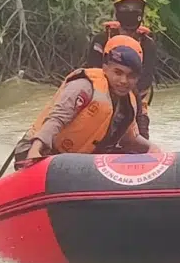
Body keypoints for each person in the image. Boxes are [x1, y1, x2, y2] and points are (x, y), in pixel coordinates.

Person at [12, 35, 158, 169]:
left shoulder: (129, 102)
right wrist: (35, 150)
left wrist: (153, 149)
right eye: (118, 73)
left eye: (130, 76)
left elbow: (130, 138)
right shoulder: (84, 86)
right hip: (41, 150)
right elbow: (56, 120)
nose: (123, 81)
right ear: (105, 68)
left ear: (138, 78)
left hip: (77, 160)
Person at [87, 0, 161, 123]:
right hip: (101, 98)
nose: (130, 11)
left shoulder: (148, 45)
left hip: (135, 101)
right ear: (117, 10)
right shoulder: (101, 40)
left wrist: (126, 101)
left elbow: (145, 79)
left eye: (135, 8)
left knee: (141, 132)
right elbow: (93, 72)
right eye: (125, 7)